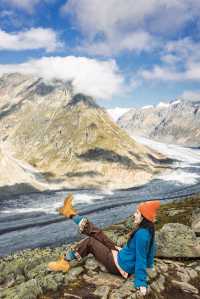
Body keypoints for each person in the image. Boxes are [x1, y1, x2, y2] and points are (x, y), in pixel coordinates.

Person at [48, 193, 160, 296]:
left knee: (90, 241)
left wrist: (141, 282)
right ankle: (70, 213)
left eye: (137, 213)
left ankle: (65, 262)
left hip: (119, 265)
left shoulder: (142, 235)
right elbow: (150, 250)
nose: (134, 214)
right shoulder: (148, 229)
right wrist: (149, 265)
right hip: (121, 255)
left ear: (143, 217)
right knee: (100, 235)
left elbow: (141, 258)